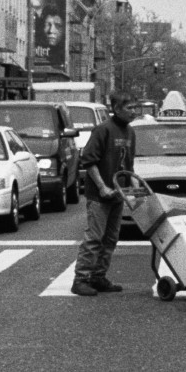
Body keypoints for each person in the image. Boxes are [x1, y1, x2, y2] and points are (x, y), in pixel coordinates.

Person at [71, 92, 139, 297]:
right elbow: (89, 161)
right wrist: (101, 186)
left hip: (118, 194)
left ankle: (98, 277)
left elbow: (128, 164)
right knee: (94, 238)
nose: (134, 112)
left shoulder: (130, 133)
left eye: (135, 108)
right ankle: (81, 279)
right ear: (117, 109)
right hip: (100, 196)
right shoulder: (103, 130)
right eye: (130, 108)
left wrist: (133, 182)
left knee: (110, 238)